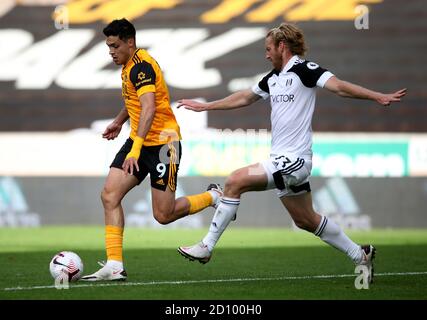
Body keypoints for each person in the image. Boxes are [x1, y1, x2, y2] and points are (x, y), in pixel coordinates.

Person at [177, 22, 406, 284]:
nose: (266, 54)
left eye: (268, 49)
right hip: (281, 161)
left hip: (295, 161)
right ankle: (359, 254)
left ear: (281, 47)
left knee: (235, 180)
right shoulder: (272, 78)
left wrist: (377, 96)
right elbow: (244, 97)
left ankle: (206, 246)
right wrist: (206, 107)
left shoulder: (304, 70)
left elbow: (339, 86)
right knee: (306, 220)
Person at [81, 18, 222, 281]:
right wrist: (119, 121)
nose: (111, 51)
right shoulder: (128, 66)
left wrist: (135, 150)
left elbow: (149, 108)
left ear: (130, 42)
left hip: (163, 145)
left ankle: (212, 196)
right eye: (108, 47)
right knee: (109, 196)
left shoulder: (141, 67)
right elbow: (135, 101)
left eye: (114, 46)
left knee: (163, 215)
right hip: (139, 140)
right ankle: (114, 264)